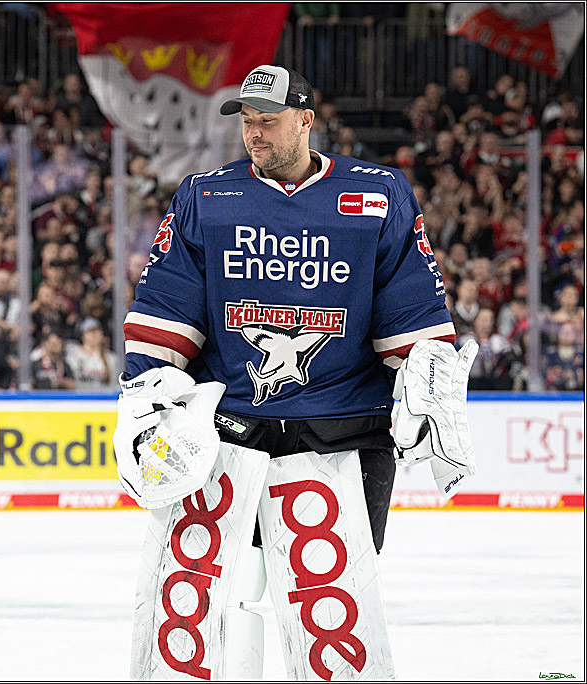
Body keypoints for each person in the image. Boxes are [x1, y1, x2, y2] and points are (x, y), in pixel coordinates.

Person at [114, 65, 476, 681]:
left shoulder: (378, 195)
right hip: (231, 435)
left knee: (333, 612)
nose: (254, 134)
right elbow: (167, 310)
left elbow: (412, 318)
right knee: (211, 606)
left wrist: (429, 385)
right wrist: (148, 398)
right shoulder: (205, 197)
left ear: (306, 120)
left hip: (346, 436)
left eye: (268, 121)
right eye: (248, 123)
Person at [65, 317, 118, 391]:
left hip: (104, 399)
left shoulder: (110, 358)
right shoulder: (73, 356)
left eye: (97, 330)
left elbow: (114, 385)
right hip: (81, 399)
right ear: (83, 335)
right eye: (90, 331)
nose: (94, 334)